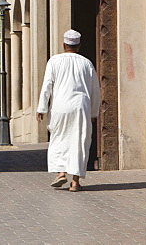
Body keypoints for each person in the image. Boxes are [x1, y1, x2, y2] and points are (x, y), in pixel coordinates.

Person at [35, 29, 100, 192]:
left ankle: (61, 172)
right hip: (80, 106)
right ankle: (75, 182)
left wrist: (41, 108)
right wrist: (93, 113)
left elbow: (47, 86)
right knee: (79, 142)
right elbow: (95, 90)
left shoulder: (54, 61)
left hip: (60, 106)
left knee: (59, 138)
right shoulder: (86, 63)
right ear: (78, 46)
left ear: (64, 45)